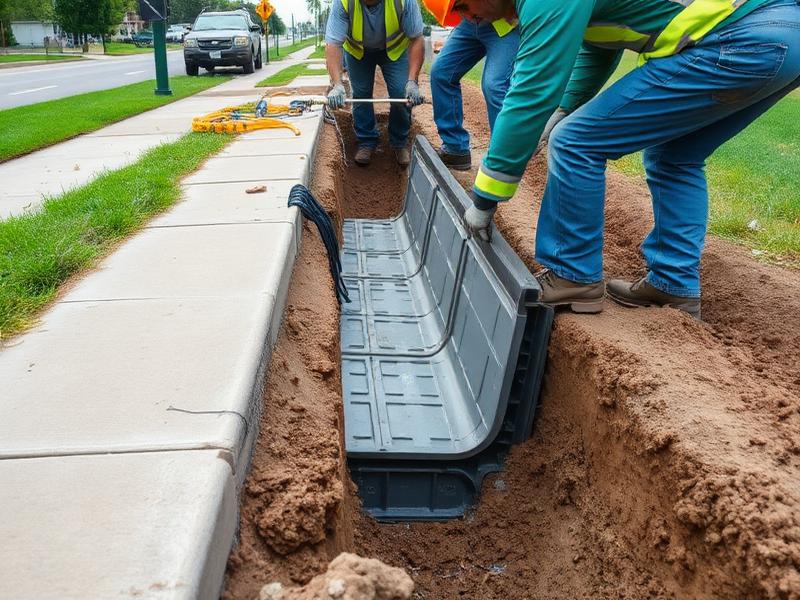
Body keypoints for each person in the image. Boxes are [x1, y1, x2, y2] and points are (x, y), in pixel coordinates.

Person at [451, 0, 800, 319]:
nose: (468, 19)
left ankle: (572, 274)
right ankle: (673, 282)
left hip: (743, 38)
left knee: (574, 142)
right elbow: (600, 48)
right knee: (676, 155)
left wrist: (484, 199)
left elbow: (531, 91)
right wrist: (564, 108)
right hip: (781, 38)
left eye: (463, 6)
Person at [325, 0, 426, 167]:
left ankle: (399, 142)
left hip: (395, 50)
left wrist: (412, 81)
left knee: (400, 93)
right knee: (361, 94)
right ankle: (366, 141)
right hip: (358, 52)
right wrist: (337, 84)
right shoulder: (343, 2)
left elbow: (416, 39)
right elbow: (333, 44)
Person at [422, 0, 519, 171]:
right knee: (441, 73)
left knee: (495, 86)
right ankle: (455, 148)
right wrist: (466, 11)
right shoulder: (468, 16)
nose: (464, 14)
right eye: (457, 9)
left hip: (505, 23)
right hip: (470, 26)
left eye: (463, 7)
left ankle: (501, 161)